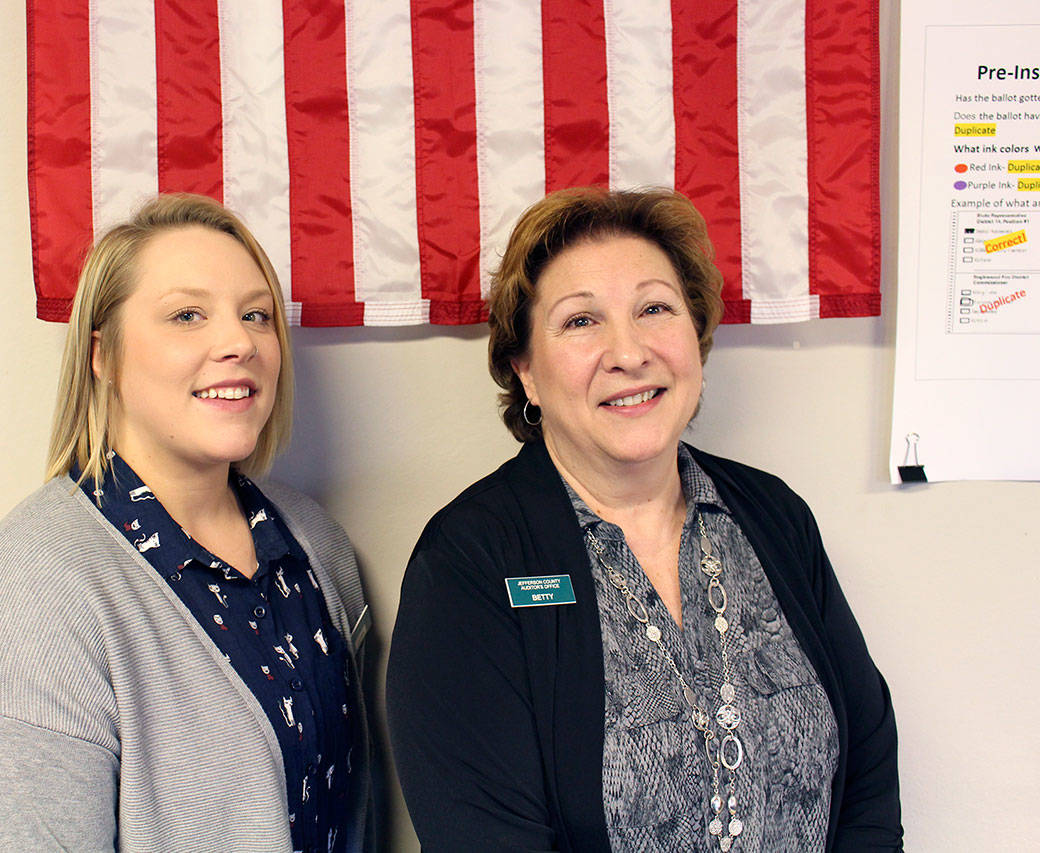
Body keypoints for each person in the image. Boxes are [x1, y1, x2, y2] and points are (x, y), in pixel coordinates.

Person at [386, 188, 901, 851]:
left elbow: (868, 773)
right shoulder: (469, 562)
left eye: (655, 308)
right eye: (581, 321)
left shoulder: (774, 516)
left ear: (696, 335)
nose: (629, 352)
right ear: (527, 372)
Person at [0, 194, 371, 852]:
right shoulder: (30, 595)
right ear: (102, 355)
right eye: (187, 315)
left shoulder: (316, 543)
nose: (239, 343)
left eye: (255, 314)